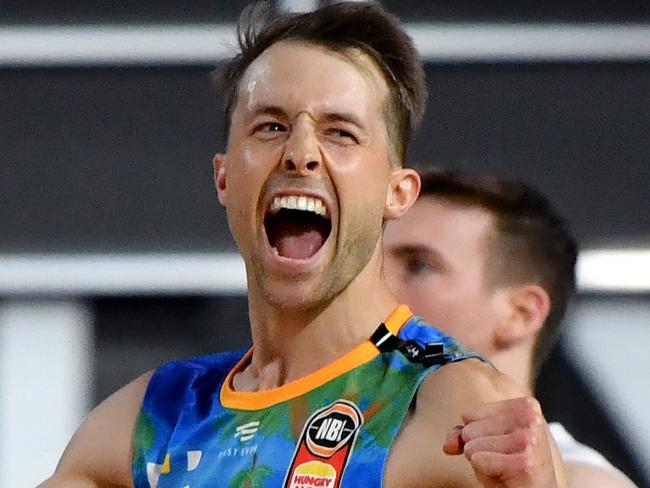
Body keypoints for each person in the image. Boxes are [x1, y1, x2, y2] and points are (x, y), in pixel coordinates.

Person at [41, 3, 566, 487]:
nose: (301, 154)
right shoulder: (149, 422)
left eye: (340, 133)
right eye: (271, 126)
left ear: (396, 192)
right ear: (223, 178)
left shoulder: (454, 409)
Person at [383, 168, 638, 488]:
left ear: (521, 314)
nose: (376, 286)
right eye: (373, 265)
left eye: (418, 265)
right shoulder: (331, 455)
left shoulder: (586, 482)